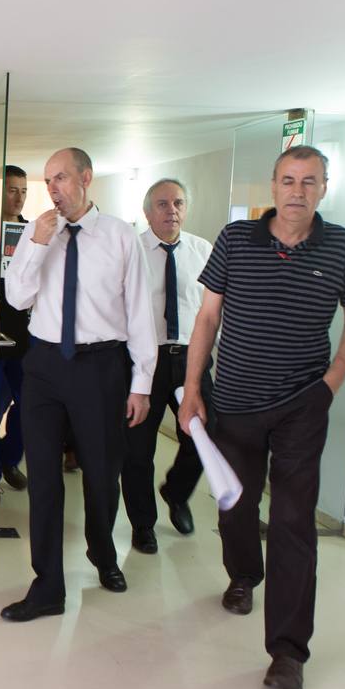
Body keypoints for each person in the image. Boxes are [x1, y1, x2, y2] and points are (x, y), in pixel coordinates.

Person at [179, 145, 345, 689]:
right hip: (234, 403)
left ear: (324, 188)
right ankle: (243, 574)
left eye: (310, 182)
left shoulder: (342, 247)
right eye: (289, 180)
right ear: (273, 186)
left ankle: (287, 652)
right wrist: (193, 389)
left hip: (301, 407)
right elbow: (208, 315)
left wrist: (330, 384)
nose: (297, 191)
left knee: (292, 523)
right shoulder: (237, 240)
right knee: (235, 505)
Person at [0, 148, 157, 622]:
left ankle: (102, 552)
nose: (53, 189)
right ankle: (48, 585)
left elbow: (140, 312)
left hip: (101, 365)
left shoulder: (119, 236)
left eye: (61, 178)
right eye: (48, 180)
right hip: (45, 364)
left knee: (102, 472)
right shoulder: (36, 231)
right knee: (45, 478)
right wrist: (38, 245)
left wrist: (142, 382)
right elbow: (17, 295)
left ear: (86, 179)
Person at [119, 179, 215, 554]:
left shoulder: (202, 251)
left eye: (177, 203)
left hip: (191, 360)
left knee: (207, 435)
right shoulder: (132, 252)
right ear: (147, 213)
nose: (171, 210)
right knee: (137, 449)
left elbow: (210, 310)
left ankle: (176, 492)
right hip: (146, 361)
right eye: (162, 204)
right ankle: (143, 525)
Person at [0, 166, 31, 506]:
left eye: (23, 191)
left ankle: (8, 458)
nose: (17, 197)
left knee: (29, 409)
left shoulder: (34, 234)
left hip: (25, 339)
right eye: (11, 190)